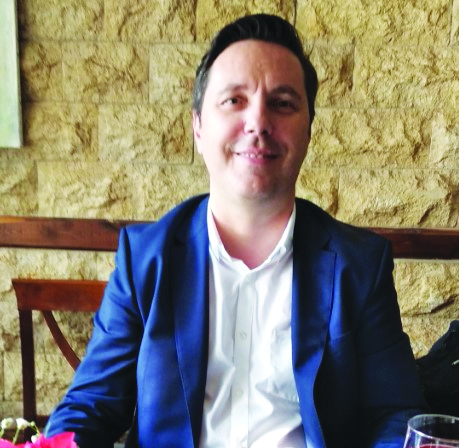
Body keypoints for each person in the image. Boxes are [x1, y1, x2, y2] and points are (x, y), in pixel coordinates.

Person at [45, 13, 426, 448]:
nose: (258, 122)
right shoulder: (145, 258)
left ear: (308, 130)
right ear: (198, 126)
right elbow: (91, 406)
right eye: (234, 100)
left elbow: (394, 415)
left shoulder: (359, 264)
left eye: (283, 103)